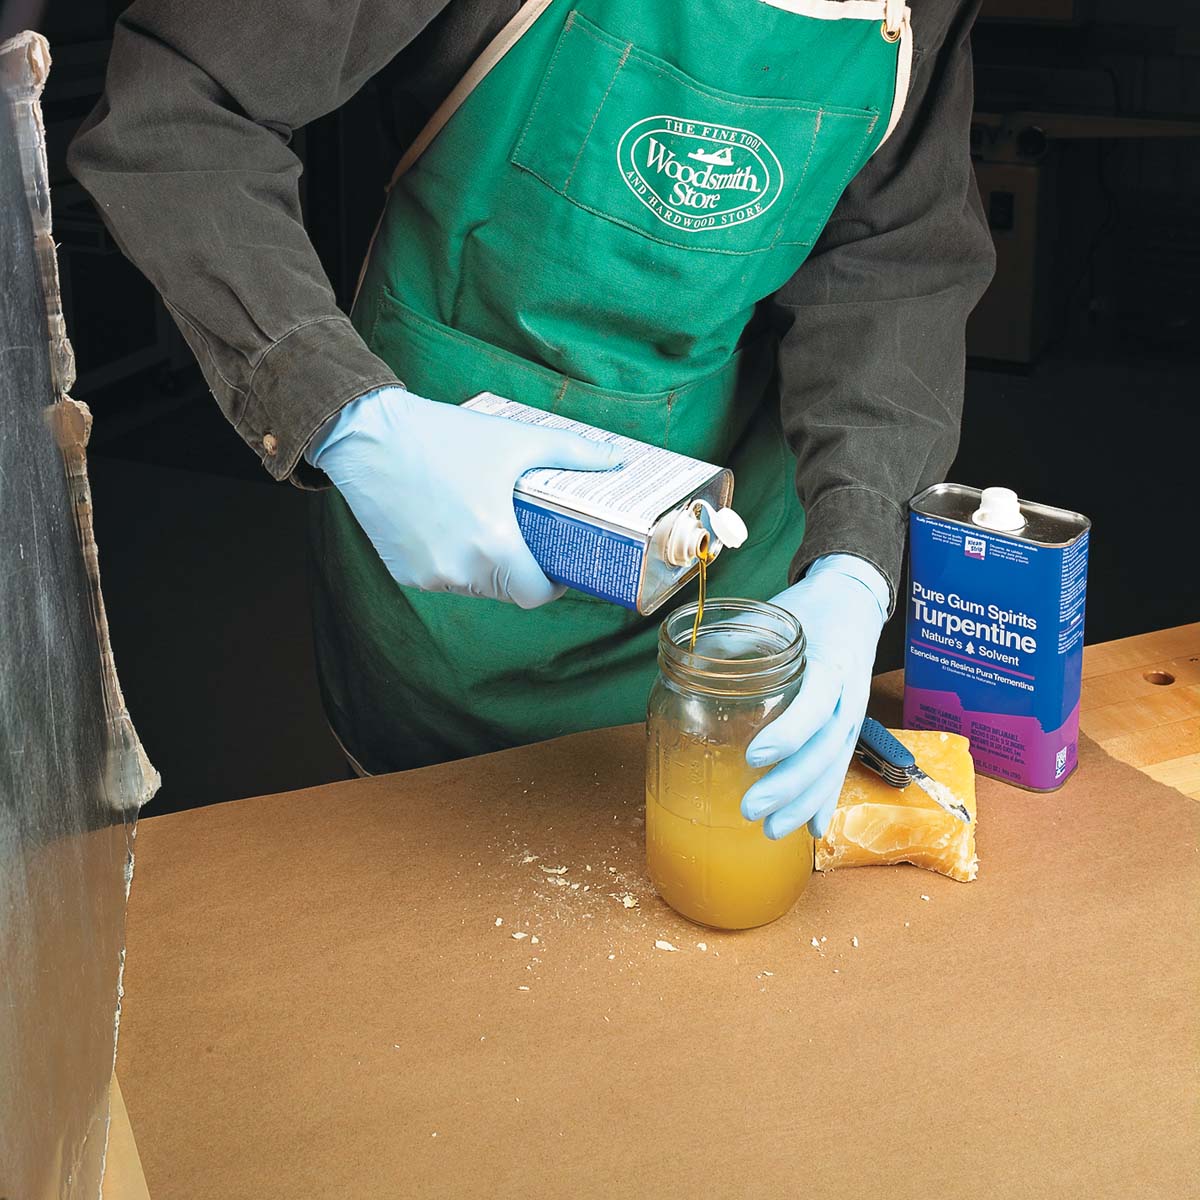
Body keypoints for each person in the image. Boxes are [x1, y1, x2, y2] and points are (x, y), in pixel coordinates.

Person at [69, 0, 994, 841]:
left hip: (727, 540)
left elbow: (899, 263)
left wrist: (855, 565)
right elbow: (176, 110)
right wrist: (348, 415)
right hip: (450, 505)